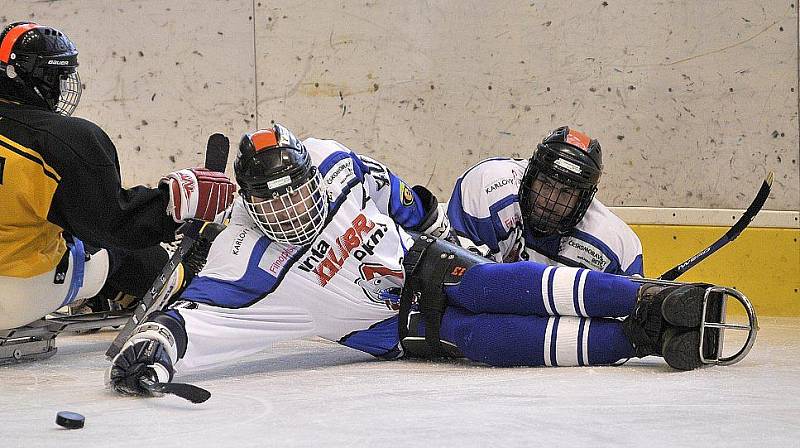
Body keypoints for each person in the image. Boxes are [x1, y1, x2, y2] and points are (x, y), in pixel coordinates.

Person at [107, 123, 753, 397]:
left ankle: (646, 301)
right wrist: (154, 346)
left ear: (312, 174)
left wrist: (428, 220)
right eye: (269, 203)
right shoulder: (242, 255)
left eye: (299, 192)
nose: (290, 212)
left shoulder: (331, 158)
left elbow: (398, 195)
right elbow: (191, 319)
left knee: (497, 282)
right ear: (248, 204)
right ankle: (637, 339)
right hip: (400, 332)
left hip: (422, 262)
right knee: (490, 339)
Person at [0, 22, 236, 337]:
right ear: (38, 79)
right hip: (15, 295)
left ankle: (101, 294)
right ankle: (179, 281)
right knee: (118, 250)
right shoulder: (60, 139)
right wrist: (173, 204)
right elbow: (118, 225)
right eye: (58, 77)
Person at [447, 126, 643, 276]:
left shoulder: (614, 247)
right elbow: (458, 282)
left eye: (566, 192)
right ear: (530, 177)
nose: (550, 200)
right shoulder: (491, 189)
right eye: (545, 184)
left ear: (583, 200)